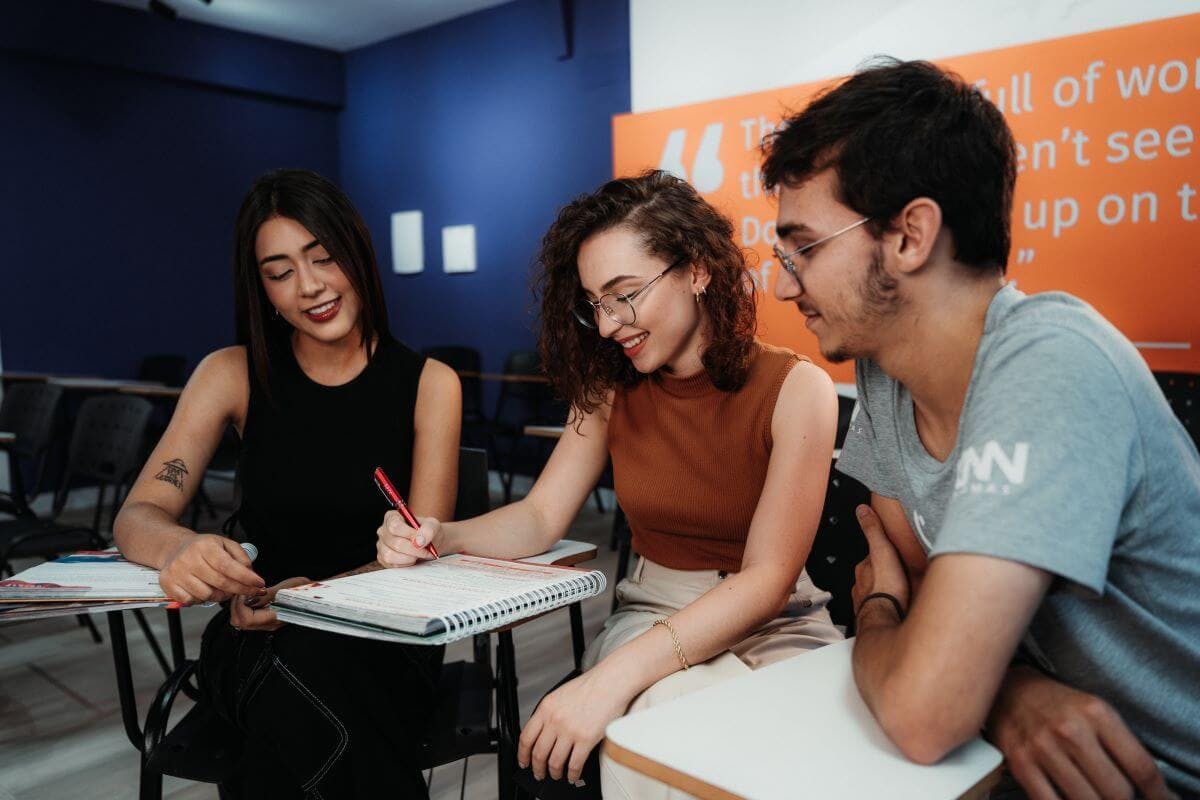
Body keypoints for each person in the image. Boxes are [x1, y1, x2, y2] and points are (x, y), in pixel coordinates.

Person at [762, 58, 1200, 798]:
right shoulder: (885, 369)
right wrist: (1008, 692)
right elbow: (930, 587)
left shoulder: (1051, 360)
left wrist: (875, 612)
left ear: (910, 236)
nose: (782, 282)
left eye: (803, 247)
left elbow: (923, 704)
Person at [377, 170, 842, 798]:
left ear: (698, 269)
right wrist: (442, 534)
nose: (606, 324)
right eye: (594, 301)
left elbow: (766, 581)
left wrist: (609, 681)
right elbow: (541, 517)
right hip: (655, 608)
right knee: (666, 732)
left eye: (625, 293)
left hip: (775, 624)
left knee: (674, 733)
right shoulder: (608, 391)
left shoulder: (796, 388)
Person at [114, 168, 462, 797]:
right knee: (296, 673)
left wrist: (312, 600)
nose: (309, 287)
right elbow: (138, 513)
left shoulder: (430, 383)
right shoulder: (232, 373)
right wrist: (179, 549)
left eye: (324, 258)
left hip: (384, 636)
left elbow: (421, 563)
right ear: (263, 290)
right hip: (255, 629)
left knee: (298, 698)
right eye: (280, 272)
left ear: (356, 253)